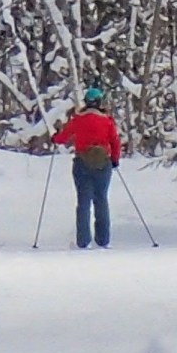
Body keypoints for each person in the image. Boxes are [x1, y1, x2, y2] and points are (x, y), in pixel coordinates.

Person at [52, 87, 122, 249]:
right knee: (101, 200)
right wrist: (115, 160)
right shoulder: (107, 120)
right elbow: (115, 141)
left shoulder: (78, 119)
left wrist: (55, 137)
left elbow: (62, 138)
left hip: (82, 163)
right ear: (99, 102)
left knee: (83, 202)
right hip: (103, 163)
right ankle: (103, 241)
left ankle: (83, 242)